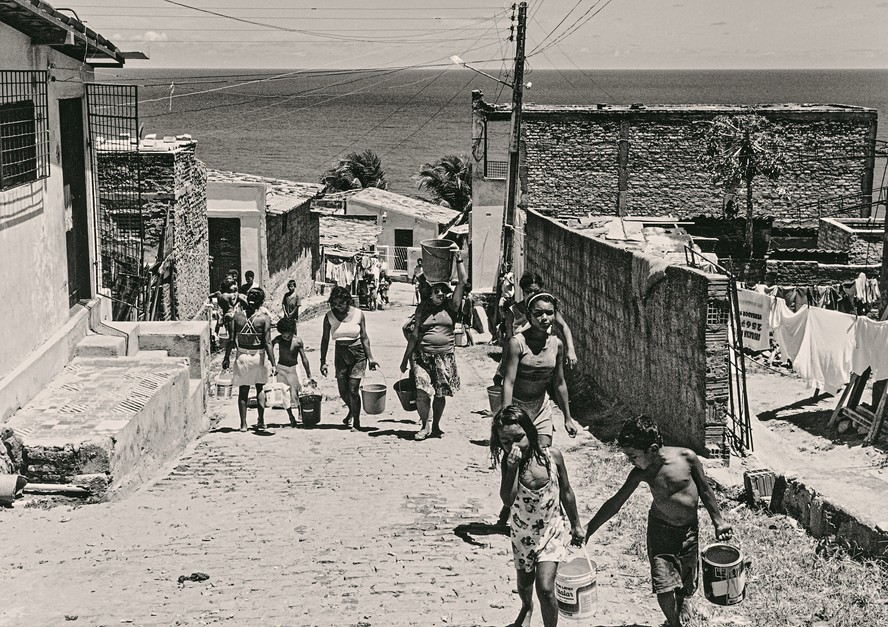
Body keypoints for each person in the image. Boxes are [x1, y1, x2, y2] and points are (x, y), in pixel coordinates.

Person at [584, 415, 733, 627]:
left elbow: (706, 491)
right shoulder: (640, 473)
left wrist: (719, 521)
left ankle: (682, 603)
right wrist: (589, 528)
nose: (630, 462)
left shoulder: (687, 458)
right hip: (660, 531)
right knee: (663, 584)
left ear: (653, 449)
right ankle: (674, 623)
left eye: (633, 456)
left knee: (686, 582)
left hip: (689, 531)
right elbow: (615, 503)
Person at [491, 405, 584, 627]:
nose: (513, 446)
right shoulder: (509, 463)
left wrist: (576, 525)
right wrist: (512, 469)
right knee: (524, 584)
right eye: (506, 442)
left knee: (545, 588)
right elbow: (507, 499)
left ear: (530, 433)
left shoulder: (552, 457)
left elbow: (566, 492)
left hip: (551, 531)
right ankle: (526, 607)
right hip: (522, 535)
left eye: (519, 438)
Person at [399, 246, 467, 440]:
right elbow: (414, 335)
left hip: (444, 356)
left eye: (442, 291)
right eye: (436, 290)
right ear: (430, 292)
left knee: (439, 394)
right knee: (422, 391)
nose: (439, 293)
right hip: (422, 356)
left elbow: (463, 282)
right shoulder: (423, 309)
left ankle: (435, 425)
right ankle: (424, 426)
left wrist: (458, 258)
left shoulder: (452, 307)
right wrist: (405, 359)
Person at [501, 292, 579, 447]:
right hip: (517, 407)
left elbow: (559, 383)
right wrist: (507, 415)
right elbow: (508, 382)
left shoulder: (556, 344)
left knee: (544, 453)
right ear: (529, 316)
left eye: (549, 313)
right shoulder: (517, 343)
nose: (544, 318)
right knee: (517, 454)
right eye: (538, 313)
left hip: (541, 407)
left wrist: (567, 418)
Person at [319, 286, 379, 431]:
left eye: (341, 303)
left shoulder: (359, 314)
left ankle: (356, 422)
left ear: (347, 301)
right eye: (335, 303)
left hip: (358, 353)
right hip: (340, 353)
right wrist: (323, 361)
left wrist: (370, 358)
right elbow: (325, 339)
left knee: (353, 389)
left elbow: (364, 337)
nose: (338, 306)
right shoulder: (329, 317)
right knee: (342, 390)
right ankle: (352, 411)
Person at [222, 287, 276, 431]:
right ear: (261, 301)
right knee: (260, 388)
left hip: (242, 356)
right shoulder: (265, 319)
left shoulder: (237, 317)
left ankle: (243, 424)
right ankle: (261, 420)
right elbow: (268, 343)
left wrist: (226, 358)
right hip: (258, 356)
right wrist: (273, 362)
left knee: (243, 391)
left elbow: (231, 340)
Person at [503, 273, 578, 368]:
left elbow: (564, 327)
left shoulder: (547, 310)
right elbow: (508, 340)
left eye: (536, 291)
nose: (532, 295)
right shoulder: (513, 311)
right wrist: (503, 366)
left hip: (545, 355)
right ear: (523, 291)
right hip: (521, 358)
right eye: (528, 291)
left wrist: (571, 350)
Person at [272, 317, 312, 427]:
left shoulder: (297, 341)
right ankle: (291, 416)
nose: (286, 338)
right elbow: (269, 346)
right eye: (283, 336)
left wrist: (309, 374)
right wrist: (272, 364)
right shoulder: (278, 339)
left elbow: (304, 358)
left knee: (297, 392)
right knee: (284, 393)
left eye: (288, 335)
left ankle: (300, 412)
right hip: (281, 368)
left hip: (293, 368)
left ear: (292, 331)